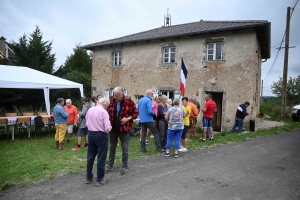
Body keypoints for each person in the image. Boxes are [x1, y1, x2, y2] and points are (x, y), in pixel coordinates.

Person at [106, 86, 138, 175]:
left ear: (122, 94)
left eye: (117, 96)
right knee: (112, 147)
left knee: (125, 148)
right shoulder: (111, 101)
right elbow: (107, 112)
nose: (115, 98)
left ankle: (124, 166)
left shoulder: (129, 102)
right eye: (114, 95)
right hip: (113, 129)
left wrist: (128, 118)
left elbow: (135, 114)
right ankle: (110, 165)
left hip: (124, 129)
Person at [85, 97, 111, 187]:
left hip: (91, 133)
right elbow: (107, 127)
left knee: (90, 156)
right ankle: (99, 179)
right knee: (101, 157)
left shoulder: (90, 110)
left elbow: (87, 122)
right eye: (107, 105)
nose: (107, 107)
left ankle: (88, 177)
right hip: (101, 135)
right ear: (105, 104)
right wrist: (109, 129)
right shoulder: (104, 112)